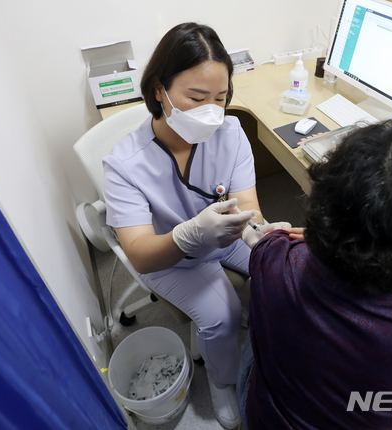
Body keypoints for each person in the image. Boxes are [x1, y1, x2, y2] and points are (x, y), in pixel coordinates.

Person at [237, 119, 392, 429]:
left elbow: (266, 241)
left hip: (269, 419)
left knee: (254, 331)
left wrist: (288, 238)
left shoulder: (276, 263)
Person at [102, 22, 269, 429]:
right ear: (159, 89)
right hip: (169, 256)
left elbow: (248, 204)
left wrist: (258, 232)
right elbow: (140, 253)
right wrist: (189, 235)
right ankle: (222, 382)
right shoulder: (124, 164)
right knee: (224, 315)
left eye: (221, 97)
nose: (212, 111)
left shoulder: (231, 134)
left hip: (227, 235)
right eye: (196, 97)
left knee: (282, 271)